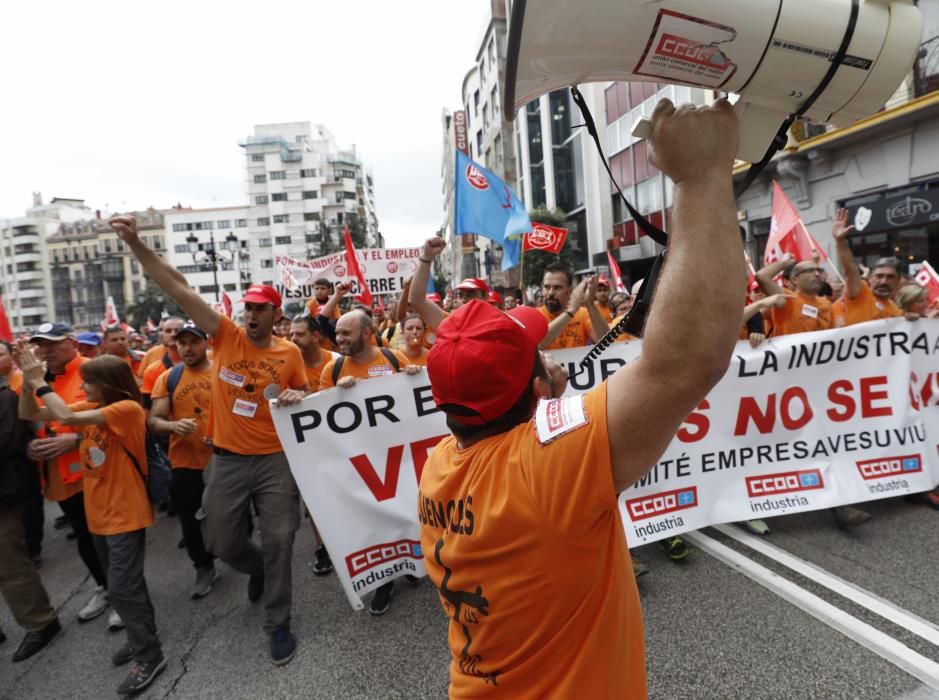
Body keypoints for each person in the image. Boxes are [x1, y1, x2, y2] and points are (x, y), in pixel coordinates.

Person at [418, 96, 744, 697]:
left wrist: (542, 393)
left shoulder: (440, 465)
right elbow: (687, 363)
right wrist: (700, 177)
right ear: (539, 385)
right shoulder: (546, 464)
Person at [110, 215, 309, 666]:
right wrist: (138, 245)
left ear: (276, 314)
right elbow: (176, 287)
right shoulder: (225, 335)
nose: (252, 314)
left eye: (261, 308)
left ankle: (278, 624)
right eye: (248, 308)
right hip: (228, 460)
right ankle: (254, 568)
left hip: (275, 460)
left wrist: (300, 393)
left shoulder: (289, 352)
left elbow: (304, 394)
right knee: (222, 542)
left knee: (280, 539)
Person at [15, 349, 165, 694]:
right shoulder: (94, 409)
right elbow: (32, 414)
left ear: (108, 383)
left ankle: (150, 654)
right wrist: (28, 385)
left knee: (124, 589)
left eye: (89, 381)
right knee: (123, 587)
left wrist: (40, 381)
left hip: (126, 514)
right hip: (100, 515)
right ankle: (142, 637)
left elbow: (63, 411)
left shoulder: (125, 410)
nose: (82, 385)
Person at [319, 310, 420, 614]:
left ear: (366, 333)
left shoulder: (393, 359)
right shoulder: (333, 370)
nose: (339, 340)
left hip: (396, 458)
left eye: (345, 334)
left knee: (404, 511)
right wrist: (337, 395)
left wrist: (414, 375)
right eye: (337, 334)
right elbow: (318, 419)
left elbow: (412, 398)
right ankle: (384, 581)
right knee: (374, 519)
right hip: (361, 463)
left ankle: (410, 562)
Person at [23, 323, 112, 626]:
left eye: (52, 343)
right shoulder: (38, 379)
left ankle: (123, 594)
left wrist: (74, 440)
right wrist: (30, 445)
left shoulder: (93, 370)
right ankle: (105, 587)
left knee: (109, 537)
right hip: (62, 479)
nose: (45, 350)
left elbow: (115, 422)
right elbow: (29, 418)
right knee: (84, 538)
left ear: (72, 343)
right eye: (40, 344)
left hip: (97, 472)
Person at [148, 322, 219, 599]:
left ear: (206, 342)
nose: (188, 348)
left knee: (232, 517)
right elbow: (154, 420)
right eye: (182, 343)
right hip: (184, 462)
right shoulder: (169, 377)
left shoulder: (223, 371)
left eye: (194, 342)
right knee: (189, 521)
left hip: (224, 460)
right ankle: (203, 566)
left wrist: (225, 434)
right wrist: (173, 427)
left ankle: (243, 555)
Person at [0, 359, 61, 663]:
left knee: (9, 565)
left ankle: (41, 622)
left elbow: (6, 442)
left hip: (4, 495)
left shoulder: (4, 397)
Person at [288, 314, 338, 576]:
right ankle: (322, 547)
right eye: (291, 334)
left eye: (299, 334)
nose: (292, 339)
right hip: (307, 445)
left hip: (340, 443)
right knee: (313, 497)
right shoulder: (286, 364)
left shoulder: (336, 361)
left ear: (316, 336)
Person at [833, 208, 904, 325]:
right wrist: (840, 241)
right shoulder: (860, 293)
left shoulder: (897, 311)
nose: (883, 281)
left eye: (890, 277)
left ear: (898, 281)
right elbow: (850, 269)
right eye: (879, 276)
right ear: (870, 277)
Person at [538, 263, 610, 350]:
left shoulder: (582, 314)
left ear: (570, 291)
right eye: (546, 287)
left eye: (557, 288)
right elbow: (538, 344)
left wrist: (590, 303)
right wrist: (571, 311)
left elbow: (607, 342)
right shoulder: (535, 315)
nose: (550, 293)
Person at [139, 318, 183, 409]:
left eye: (177, 330)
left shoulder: (206, 361)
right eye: (168, 331)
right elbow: (147, 406)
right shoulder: (152, 369)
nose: (173, 334)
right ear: (161, 335)